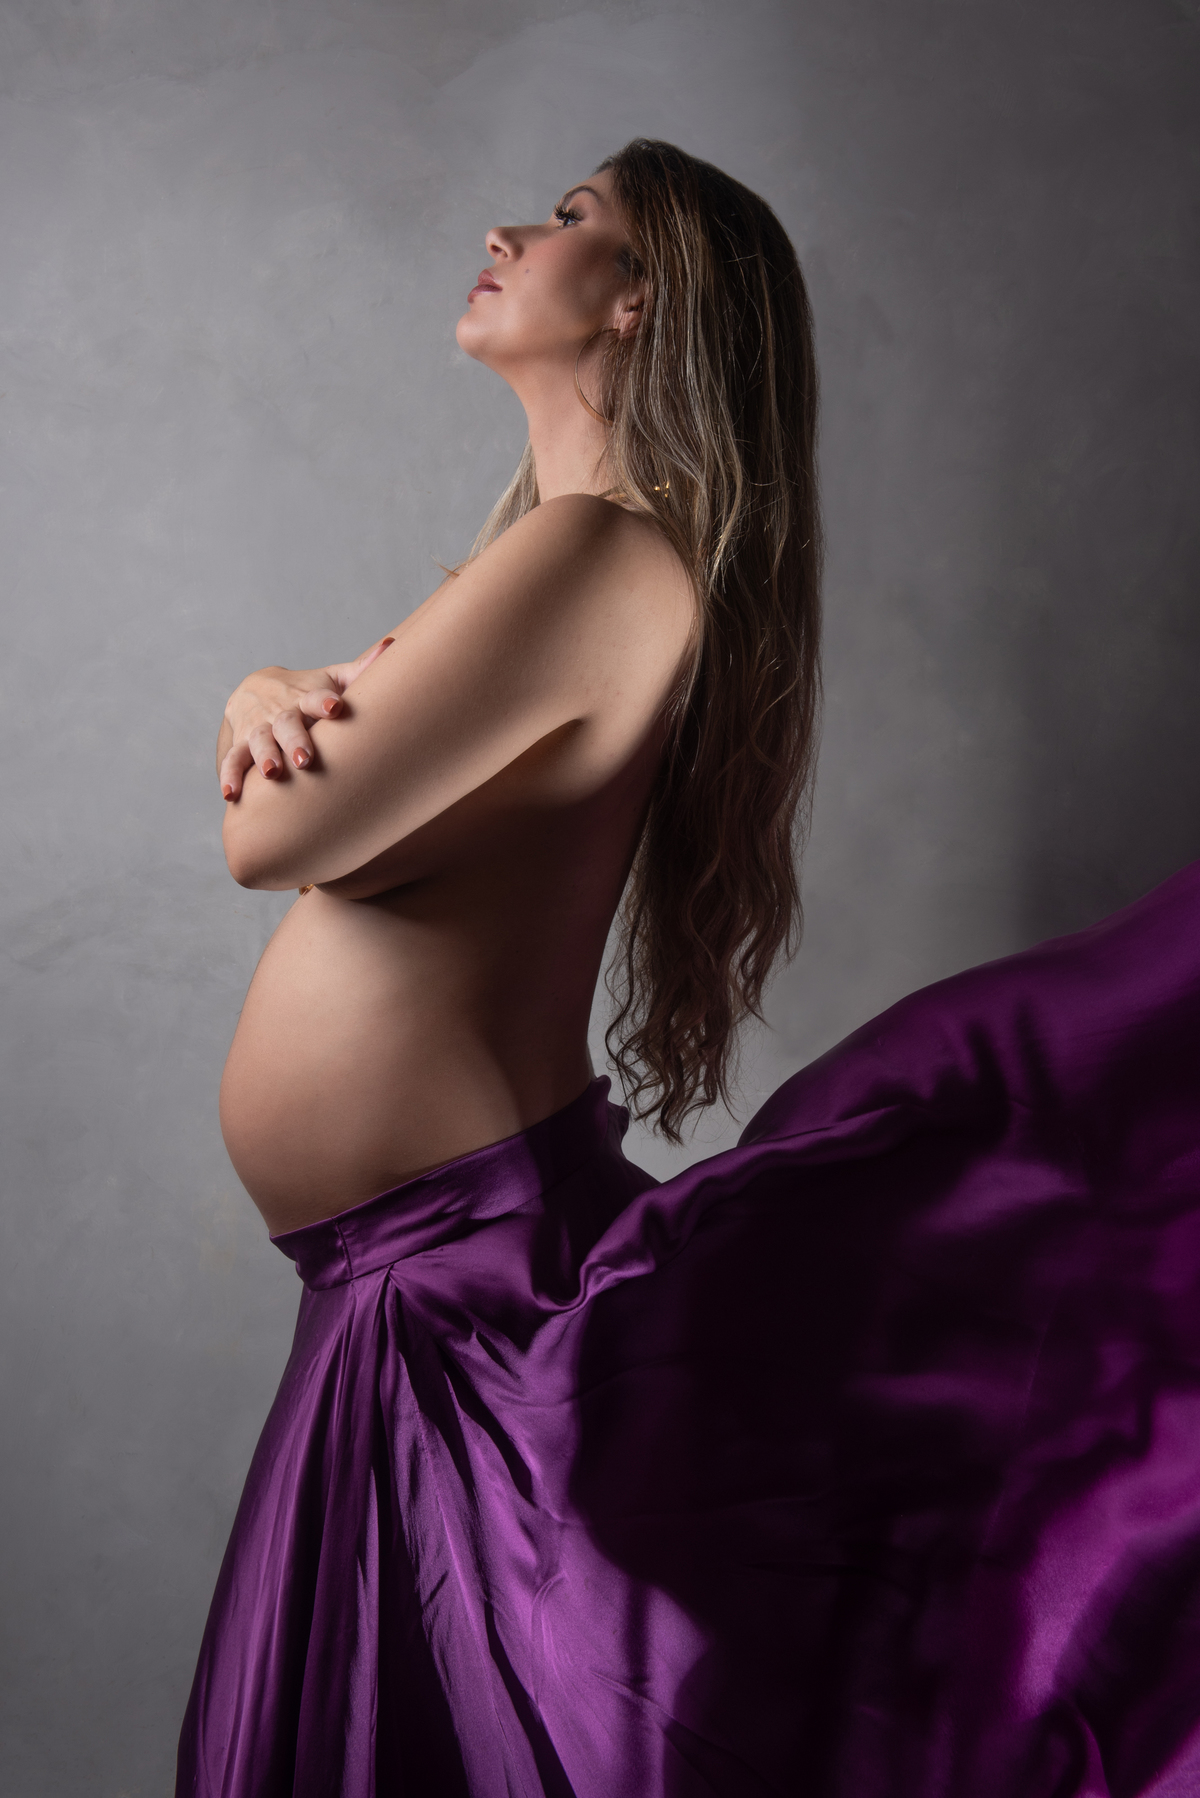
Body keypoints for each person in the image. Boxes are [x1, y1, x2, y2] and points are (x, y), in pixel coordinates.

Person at [178, 141, 1200, 1798]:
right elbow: (335, 829)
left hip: (452, 1300)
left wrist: (259, 712)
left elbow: (276, 832)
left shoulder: (596, 552)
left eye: (572, 218)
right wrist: (258, 694)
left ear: (640, 300)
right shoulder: (557, 556)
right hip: (392, 1296)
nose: (508, 229)